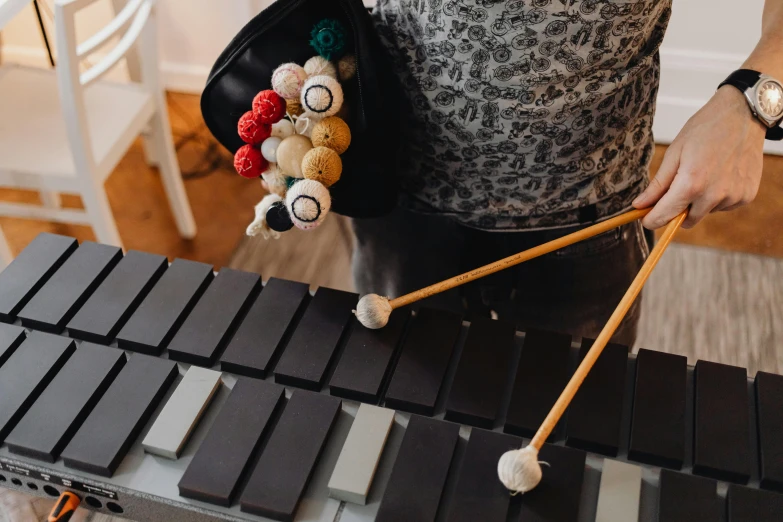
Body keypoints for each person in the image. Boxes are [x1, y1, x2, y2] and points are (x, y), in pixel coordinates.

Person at [349, 0, 783, 346]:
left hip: (590, 218)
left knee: (575, 432)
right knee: (405, 412)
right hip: (398, 196)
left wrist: (750, 102)